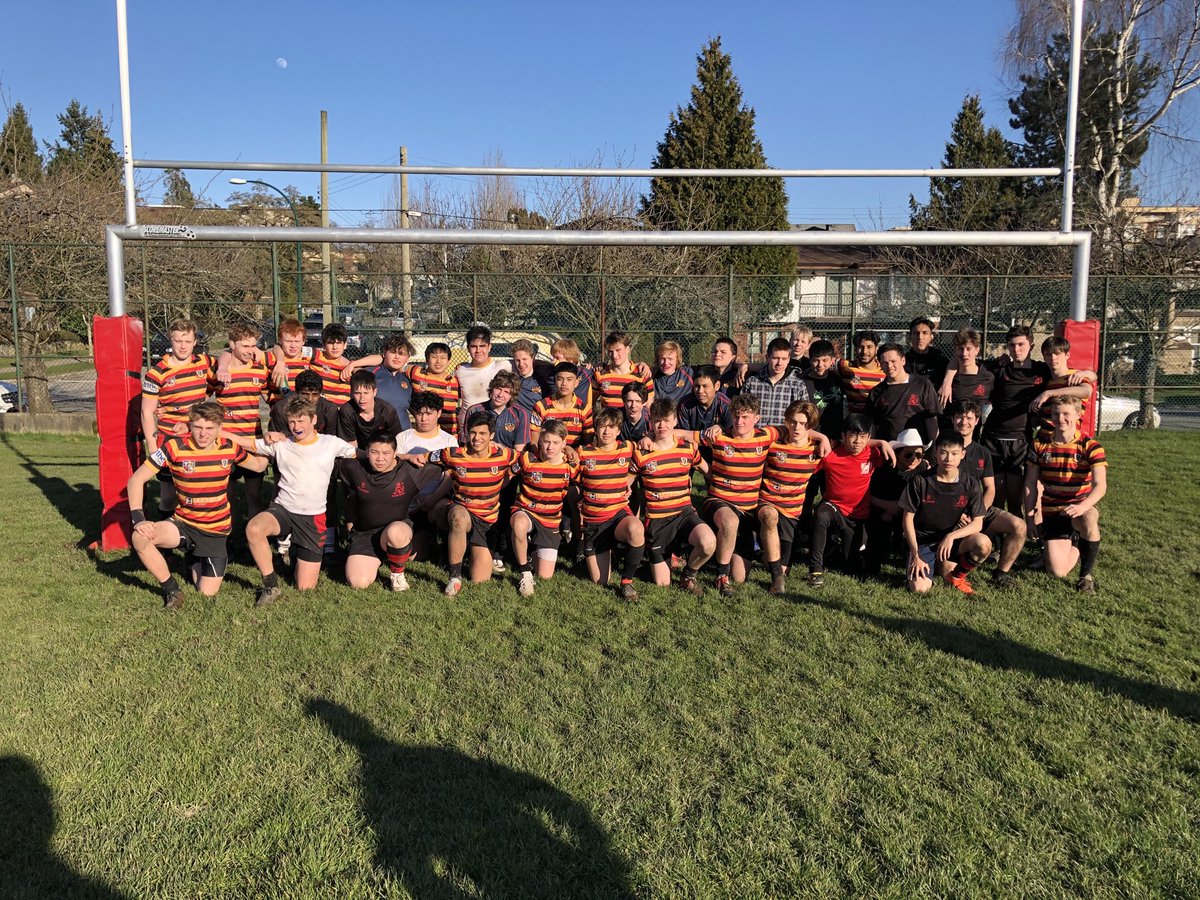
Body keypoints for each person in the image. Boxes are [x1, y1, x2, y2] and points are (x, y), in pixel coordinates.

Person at [126, 400, 268, 609]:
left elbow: (258, 466)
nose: (203, 434)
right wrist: (138, 519)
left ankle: (192, 557)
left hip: (216, 531)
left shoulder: (230, 447)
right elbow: (136, 480)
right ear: (189, 425)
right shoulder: (173, 447)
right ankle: (172, 590)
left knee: (206, 592)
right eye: (198, 427)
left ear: (219, 428)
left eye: (209, 428)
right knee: (139, 538)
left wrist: (271, 443)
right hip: (183, 523)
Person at [231, 395, 360, 606]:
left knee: (305, 587)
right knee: (254, 529)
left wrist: (401, 458)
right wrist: (217, 431)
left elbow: (362, 454)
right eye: (292, 421)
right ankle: (271, 585)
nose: (296, 426)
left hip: (312, 517)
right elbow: (247, 443)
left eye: (301, 421)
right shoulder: (281, 443)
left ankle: (296, 549)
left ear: (314, 419)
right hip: (283, 509)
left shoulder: (331, 443)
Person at [944, 325, 1051, 515]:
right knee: (996, 497)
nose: (1016, 349)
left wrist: (1050, 393)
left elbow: (1076, 377)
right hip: (993, 439)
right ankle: (994, 530)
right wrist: (947, 380)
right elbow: (961, 358)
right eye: (1012, 345)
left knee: (1015, 499)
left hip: (1020, 440)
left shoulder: (1042, 371)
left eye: (1021, 344)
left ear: (1031, 345)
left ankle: (1021, 529)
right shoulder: (998, 369)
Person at [336, 432, 444, 592]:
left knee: (396, 532)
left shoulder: (410, 471)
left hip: (397, 530)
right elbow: (325, 457)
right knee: (358, 582)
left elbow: (450, 461)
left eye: (386, 453)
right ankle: (384, 556)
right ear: (366, 452)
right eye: (374, 452)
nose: (380, 458)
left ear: (395, 454)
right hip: (365, 535)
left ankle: (397, 574)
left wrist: (419, 456)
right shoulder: (354, 467)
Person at [694, 393, 775, 596]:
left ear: (756, 418)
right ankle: (721, 577)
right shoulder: (719, 436)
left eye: (745, 417)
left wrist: (823, 438)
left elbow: (793, 429)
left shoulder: (766, 436)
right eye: (736, 416)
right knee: (730, 521)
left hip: (747, 510)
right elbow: (681, 434)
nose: (740, 421)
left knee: (740, 576)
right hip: (719, 501)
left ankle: (725, 551)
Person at [631, 398, 715, 595]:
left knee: (708, 543)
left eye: (667, 420)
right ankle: (658, 555)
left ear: (675, 420)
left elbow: (709, 473)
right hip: (658, 520)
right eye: (657, 420)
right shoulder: (642, 452)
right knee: (662, 583)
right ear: (651, 422)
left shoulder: (688, 449)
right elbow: (625, 485)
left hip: (684, 514)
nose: (662, 425)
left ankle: (688, 575)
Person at [1023, 395, 1106, 592]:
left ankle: (1086, 576)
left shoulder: (1090, 446)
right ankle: (1077, 541)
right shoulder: (1039, 445)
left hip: (1078, 509)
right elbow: (1030, 483)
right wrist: (1029, 518)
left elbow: (1100, 485)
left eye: (1066, 414)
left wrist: (1082, 507)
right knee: (1057, 571)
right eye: (1056, 414)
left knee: (1090, 518)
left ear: (1078, 415)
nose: (1060, 419)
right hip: (1053, 512)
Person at [428, 410, 516, 595]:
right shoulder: (452, 454)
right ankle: (454, 576)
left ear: (492, 435)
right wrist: (402, 456)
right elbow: (422, 457)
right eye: (473, 433)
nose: (477, 438)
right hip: (463, 510)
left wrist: (569, 451)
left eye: (483, 433)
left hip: (487, 520)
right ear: (466, 433)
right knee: (458, 518)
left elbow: (528, 459)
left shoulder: (504, 454)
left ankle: (465, 549)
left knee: (480, 579)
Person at [807, 414, 895, 587]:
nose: (857, 441)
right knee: (821, 514)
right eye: (852, 435)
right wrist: (823, 437)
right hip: (834, 506)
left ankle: (836, 548)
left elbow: (902, 454)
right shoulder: (830, 453)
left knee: (851, 566)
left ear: (868, 437)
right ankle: (815, 569)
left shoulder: (874, 453)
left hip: (858, 516)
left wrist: (882, 443)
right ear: (843, 435)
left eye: (862, 437)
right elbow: (803, 433)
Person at [140, 318, 215, 515]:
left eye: (188, 341)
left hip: (198, 436)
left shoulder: (204, 362)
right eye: (178, 341)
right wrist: (153, 447)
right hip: (169, 439)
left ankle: (195, 530)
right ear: (170, 340)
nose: (183, 346)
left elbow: (227, 360)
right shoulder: (156, 373)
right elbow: (147, 412)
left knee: (199, 491)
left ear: (195, 342)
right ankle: (165, 533)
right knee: (168, 495)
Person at [899, 431, 990, 594]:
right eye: (943, 452)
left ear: (962, 455)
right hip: (923, 543)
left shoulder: (970, 483)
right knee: (919, 589)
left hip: (950, 541)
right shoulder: (920, 481)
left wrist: (951, 536)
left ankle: (956, 576)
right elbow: (907, 519)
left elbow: (978, 523)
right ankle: (928, 564)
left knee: (983, 543)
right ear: (935, 452)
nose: (948, 459)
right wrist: (916, 554)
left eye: (954, 454)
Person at [948, 399, 1027, 587]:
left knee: (1019, 526)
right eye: (959, 417)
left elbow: (990, 488)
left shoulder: (982, 452)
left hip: (976, 510)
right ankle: (958, 560)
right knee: (945, 570)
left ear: (977, 421)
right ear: (952, 419)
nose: (964, 422)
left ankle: (1001, 574)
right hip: (948, 511)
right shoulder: (943, 447)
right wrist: (957, 514)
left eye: (969, 418)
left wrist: (978, 513)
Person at [575, 406, 645, 597]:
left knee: (636, 528)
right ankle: (610, 551)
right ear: (595, 429)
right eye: (602, 426)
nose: (607, 431)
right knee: (600, 581)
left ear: (619, 430)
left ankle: (627, 582)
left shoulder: (627, 448)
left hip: (617, 515)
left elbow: (650, 446)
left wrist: (647, 438)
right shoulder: (583, 453)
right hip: (594, 522)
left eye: (612, 427)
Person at [756, 400, 825, 593]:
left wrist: (882, 443)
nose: (797, 427)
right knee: (770, 516)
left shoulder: (817, 450)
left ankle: (760, 553)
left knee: (783, 567)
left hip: (792, 512)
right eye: (793, 422)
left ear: (810, 426)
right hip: (766, 502)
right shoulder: (773, 443)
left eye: (803, 424)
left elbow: (851, 447)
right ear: (786, 421)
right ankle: (776, 578)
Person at [508, 420, 579, 597]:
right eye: (546, 441)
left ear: (564, 443)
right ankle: (525, 572)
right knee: (519, 524)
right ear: (539, 440)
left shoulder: (570, 465)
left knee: (545, 576)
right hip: (526, 510)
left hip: (550, 520)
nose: (550, 447)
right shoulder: (527, 458)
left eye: (555, 442)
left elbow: (586, 483)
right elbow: (507, 477)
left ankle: (531, 548)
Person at [213, 322, 272, 518]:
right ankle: (225, 534)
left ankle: (252, 533)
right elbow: (199, 398)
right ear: (232, 344)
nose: (250, 351)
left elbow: (271, 398)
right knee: (225, 497)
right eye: (245, 346)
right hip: (225, 441)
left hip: (253, 439)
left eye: (253, 346)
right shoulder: (219, 372)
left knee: (254, 497)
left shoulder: (260, 370)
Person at [864, 428, 929, 577]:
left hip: (910, 513)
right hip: (882, 510)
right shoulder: (883, 469)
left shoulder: (923, 468)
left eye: (919, 454)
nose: (914, 459)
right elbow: (868, 496)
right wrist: (887, 506)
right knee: (879, 526)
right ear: (898, 454)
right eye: (908, 454)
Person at [865, 342, 939, 443]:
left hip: (917, 450)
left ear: (903, 360)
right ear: (880, 364)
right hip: (888, 449)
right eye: (885, 363)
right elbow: (871, 426)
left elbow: (931, 420)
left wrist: (933, 448)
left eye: (893, 361)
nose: (889, 366)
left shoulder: (923, 384)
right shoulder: (876, 392)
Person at [339, 333, 415, 429]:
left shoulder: (407, 379)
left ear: (407, 357)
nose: (397, 357)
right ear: (384, 353)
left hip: (404, 434)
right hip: (376, 435)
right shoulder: (370, 373)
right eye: (392, 352)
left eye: (401, 354)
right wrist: (353, 365)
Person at [1030, 335, 1097, 442]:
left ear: (1067, 355)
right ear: (1044, 357)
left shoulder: (1075, 377)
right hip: (1043, 440)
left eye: (1057, 353)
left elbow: (1086, 391)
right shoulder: (1045, 381)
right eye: (1048, 354)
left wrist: (1049, 393)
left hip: (1066, 441)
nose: (1053, 358)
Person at [743, 337, 811, 427]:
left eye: (784, 359)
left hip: (784, 435)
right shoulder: (752, 383)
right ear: (767, 357)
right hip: (756, 434)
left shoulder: (798, 385)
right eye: (775, 358)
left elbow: (805, 416)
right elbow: (741, 412)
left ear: (788, 359)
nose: (779, 363)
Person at [460, 371, 531, 453]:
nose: (500, 395)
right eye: (498, 389)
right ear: (491, 389)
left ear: (512, 395)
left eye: (506, 392)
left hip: (507, 458)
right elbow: (466, 444)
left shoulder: (520, 414)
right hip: (479, 457)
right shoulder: (474, 410)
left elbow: (519, 451)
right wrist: (486, 446)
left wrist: (501, 450)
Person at [336, 370, 404, 450]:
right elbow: (350, 447)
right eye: (357, 393)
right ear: (351, 393)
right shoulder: (347, 411)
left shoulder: (387, 411)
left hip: (383, 452)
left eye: (366, 393)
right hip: (358, 453)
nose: (362, 399)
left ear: (374, 392)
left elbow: (398, 443)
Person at [676, 365, 733, 457]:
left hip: (719, 450)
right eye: (697, 386)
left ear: (717, 386)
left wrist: (721, 428)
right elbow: (683, 435)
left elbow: (732, 435)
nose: (700, 391)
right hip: (693, 448)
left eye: (705, 386)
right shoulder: (684, 404)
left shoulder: (726, 406)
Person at [532, 362, 593, 447]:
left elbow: (588, 443)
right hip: (548, 453)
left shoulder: (585, 409)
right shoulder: (541, 406)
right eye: (560, 379)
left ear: (576, 383)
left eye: (569, 379)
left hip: (575, 454)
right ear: (554, 381)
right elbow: (534, 442)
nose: (564, 383)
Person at [408, 341, 461, 436]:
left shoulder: (455, 382)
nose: (438, 361)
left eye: (442, 358)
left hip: (449, 435)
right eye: (434, 357)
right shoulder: (415, 372)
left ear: (449, 361)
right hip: (422, 434)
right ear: (427, 359)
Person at [592, 331, 654, 410]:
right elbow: (590, 403)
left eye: (618, 350)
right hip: (608, 418)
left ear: (627, 349)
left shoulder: (642, 374)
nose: (614, 355)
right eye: (610, 351)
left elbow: (649, 408)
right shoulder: (600, 374)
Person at [267, 369, 338, 437]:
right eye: (305, 394)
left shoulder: (329, 410)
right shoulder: (281, 409)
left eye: (315, 394)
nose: (310, 399)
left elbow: (330, 440)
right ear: (297, 392)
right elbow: (279, 439)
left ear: (320, 393)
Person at [456, 324, 512, 408]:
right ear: (468, 348)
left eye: (482, 346)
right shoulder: (460, 371)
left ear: (489, 347)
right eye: (474, 346)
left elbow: (527, 362)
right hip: (466, 416)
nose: (478, 350)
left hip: (492, 416)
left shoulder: (504, 366)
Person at [802, 340, 845, 439]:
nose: (820, 364)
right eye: (816, 360)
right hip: (811, 437)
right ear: (810, 360)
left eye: (825, 360)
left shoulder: (838, 379)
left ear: (832, 360)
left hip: (836, 437)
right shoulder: (801, 382)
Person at [837, 331, 885, 416]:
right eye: (860, 347)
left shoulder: (885, 370)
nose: (864, 351)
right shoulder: (844, 366)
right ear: (855, 349)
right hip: (853, 421)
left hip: (877, 420)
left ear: (876, 348)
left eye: (869, 347)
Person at [264, 317, 315, 396]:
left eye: (297, 341)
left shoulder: (310, 356)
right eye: (288, 341)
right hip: (281, 403)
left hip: (304, 403)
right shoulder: (272, 358)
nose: (293, 346)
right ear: (280, 340)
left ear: (303, 341)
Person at [309, 323, 354, 406]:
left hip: (342, 410)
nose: (335, 347)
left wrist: (354, 364)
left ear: (345, 345)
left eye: (339, 343)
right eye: (330, 343)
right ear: (323, 345)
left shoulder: (350, 366)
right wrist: (282, 362)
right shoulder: (316, 355)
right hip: (320, 409)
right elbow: (287, 348)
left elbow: (379, 358)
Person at [550, 337, 595, 407]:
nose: (553, 361)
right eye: (553, 357)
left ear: (569, 357)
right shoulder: (552, 373)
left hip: (579, 411)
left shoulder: (585, 373)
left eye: (557, 358)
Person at [904, 317, 949, 384]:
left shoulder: (941, 361)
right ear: (910, 337)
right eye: (916, 333)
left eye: (925, 333)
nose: (920, 337)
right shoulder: (903, 361)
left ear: (931, 337)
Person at [653, 340, 694, 404]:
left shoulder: (688, 373)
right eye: (663, 359)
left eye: (670, 359)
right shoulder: (652, 375)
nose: (666, 363)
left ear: (677, 360)